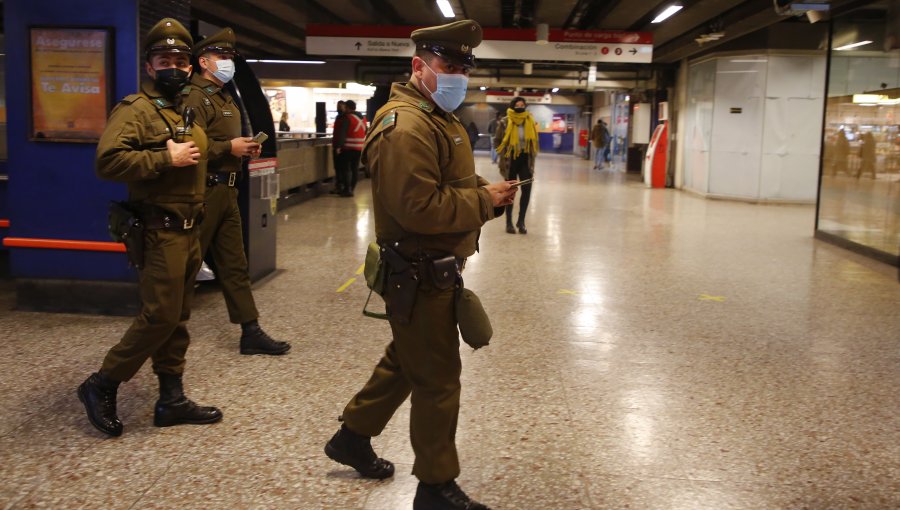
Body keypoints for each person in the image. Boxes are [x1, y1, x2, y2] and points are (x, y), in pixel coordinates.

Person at [323, 19, 516, 510]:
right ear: (419, 66)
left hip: (435, 267)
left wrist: (480, 191)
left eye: (461, 68)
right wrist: (485, 202)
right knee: (437, 380)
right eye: (447, 66)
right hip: (418, 269)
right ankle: (435, 487)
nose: (457, 77)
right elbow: (419, 208)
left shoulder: (437, 117)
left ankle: (352, 436)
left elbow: (449, 185)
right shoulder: (405, 125)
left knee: (408, 361)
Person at [77, 18, 222, 437]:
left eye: (180, 60)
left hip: (190, 230)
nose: (173, 67)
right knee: (159, 316)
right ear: (149, 66)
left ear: (191, 67)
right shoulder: (135, 110)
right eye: (164, 60)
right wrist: (164, 158)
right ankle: (101, 383)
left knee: (178, 317)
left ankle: (171, 399)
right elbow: (107, 162)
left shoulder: (186, 112)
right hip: (160, 230)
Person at [184, 29, 291, 356]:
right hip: (204, 192)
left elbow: (224, 144)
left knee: (234, 265)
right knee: (184, 268)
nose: (228, 62)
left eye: (230, 56)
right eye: (222, 57)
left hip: (228, 193)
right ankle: (163, 329)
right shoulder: (194, 97)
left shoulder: (225, 97)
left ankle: (250, 330)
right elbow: (190, 147)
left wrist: (244, 150)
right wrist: (228, 147)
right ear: (204, 62)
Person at [495, 96, 538, 234]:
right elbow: (497, 141)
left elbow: (534, 141)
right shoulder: (505, 122)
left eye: (522, 104)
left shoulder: (529, 120)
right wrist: (504, 153)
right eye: (517, 104)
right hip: (510, 161)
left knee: (527, 190)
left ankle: (521, 221)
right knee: (510, 192)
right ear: (513, 106)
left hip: (525, 160)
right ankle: (509, 223)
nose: (520, 106)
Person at [335, 99, 366, 197]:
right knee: (354, 169)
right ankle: (352, 188)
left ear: (347, 107)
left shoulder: (347, 118)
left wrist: (339, 146)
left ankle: (347, 190)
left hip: (348, 147)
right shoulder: (363, 119)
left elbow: (343, 133)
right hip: (359, 147)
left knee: (346, 169)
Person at [331, 100, 348, 194]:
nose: (339, 108)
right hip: (336, 145)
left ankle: (341, 187)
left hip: (340, 147)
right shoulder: (338, 117)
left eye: (340, 106)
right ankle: (339, 186)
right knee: (337, 168)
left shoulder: (344, 118)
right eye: (338, 106)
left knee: (341, 168)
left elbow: (342, 133)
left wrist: (339, 146)